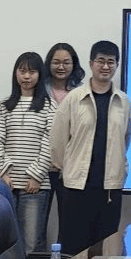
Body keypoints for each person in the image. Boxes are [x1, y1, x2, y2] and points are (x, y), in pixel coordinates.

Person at [50, 40, 131, 255]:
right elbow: (58, 141)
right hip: (77, 187)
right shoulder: (74, 98)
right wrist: (68, 167)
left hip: (110, 188)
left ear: (117, 65)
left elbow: (125, 139)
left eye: (111, 62)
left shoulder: (123, 101)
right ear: (91, 64)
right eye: (100, 61)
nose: (105, 66)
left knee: (105, 250)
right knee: (73, 249)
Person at [0, 51, 56, 253]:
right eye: (22, 71)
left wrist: (36, 175)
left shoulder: (49, 106)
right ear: (16, 73)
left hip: (36, 186)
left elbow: (50, 143)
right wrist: (3, 173)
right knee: (6, 244)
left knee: (31, 244)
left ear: (40, 75)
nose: (27, 76)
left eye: (32, 72)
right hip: (7, 184)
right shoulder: (3, 106)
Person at [44, 42, 83, 225]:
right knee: (36, 223)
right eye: (56, 62)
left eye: (66, 62)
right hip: (41, 168)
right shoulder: (39, 90)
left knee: (69, 221)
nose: (61, 67)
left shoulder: (82, 92)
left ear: (74, 64)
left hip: (70, 167)